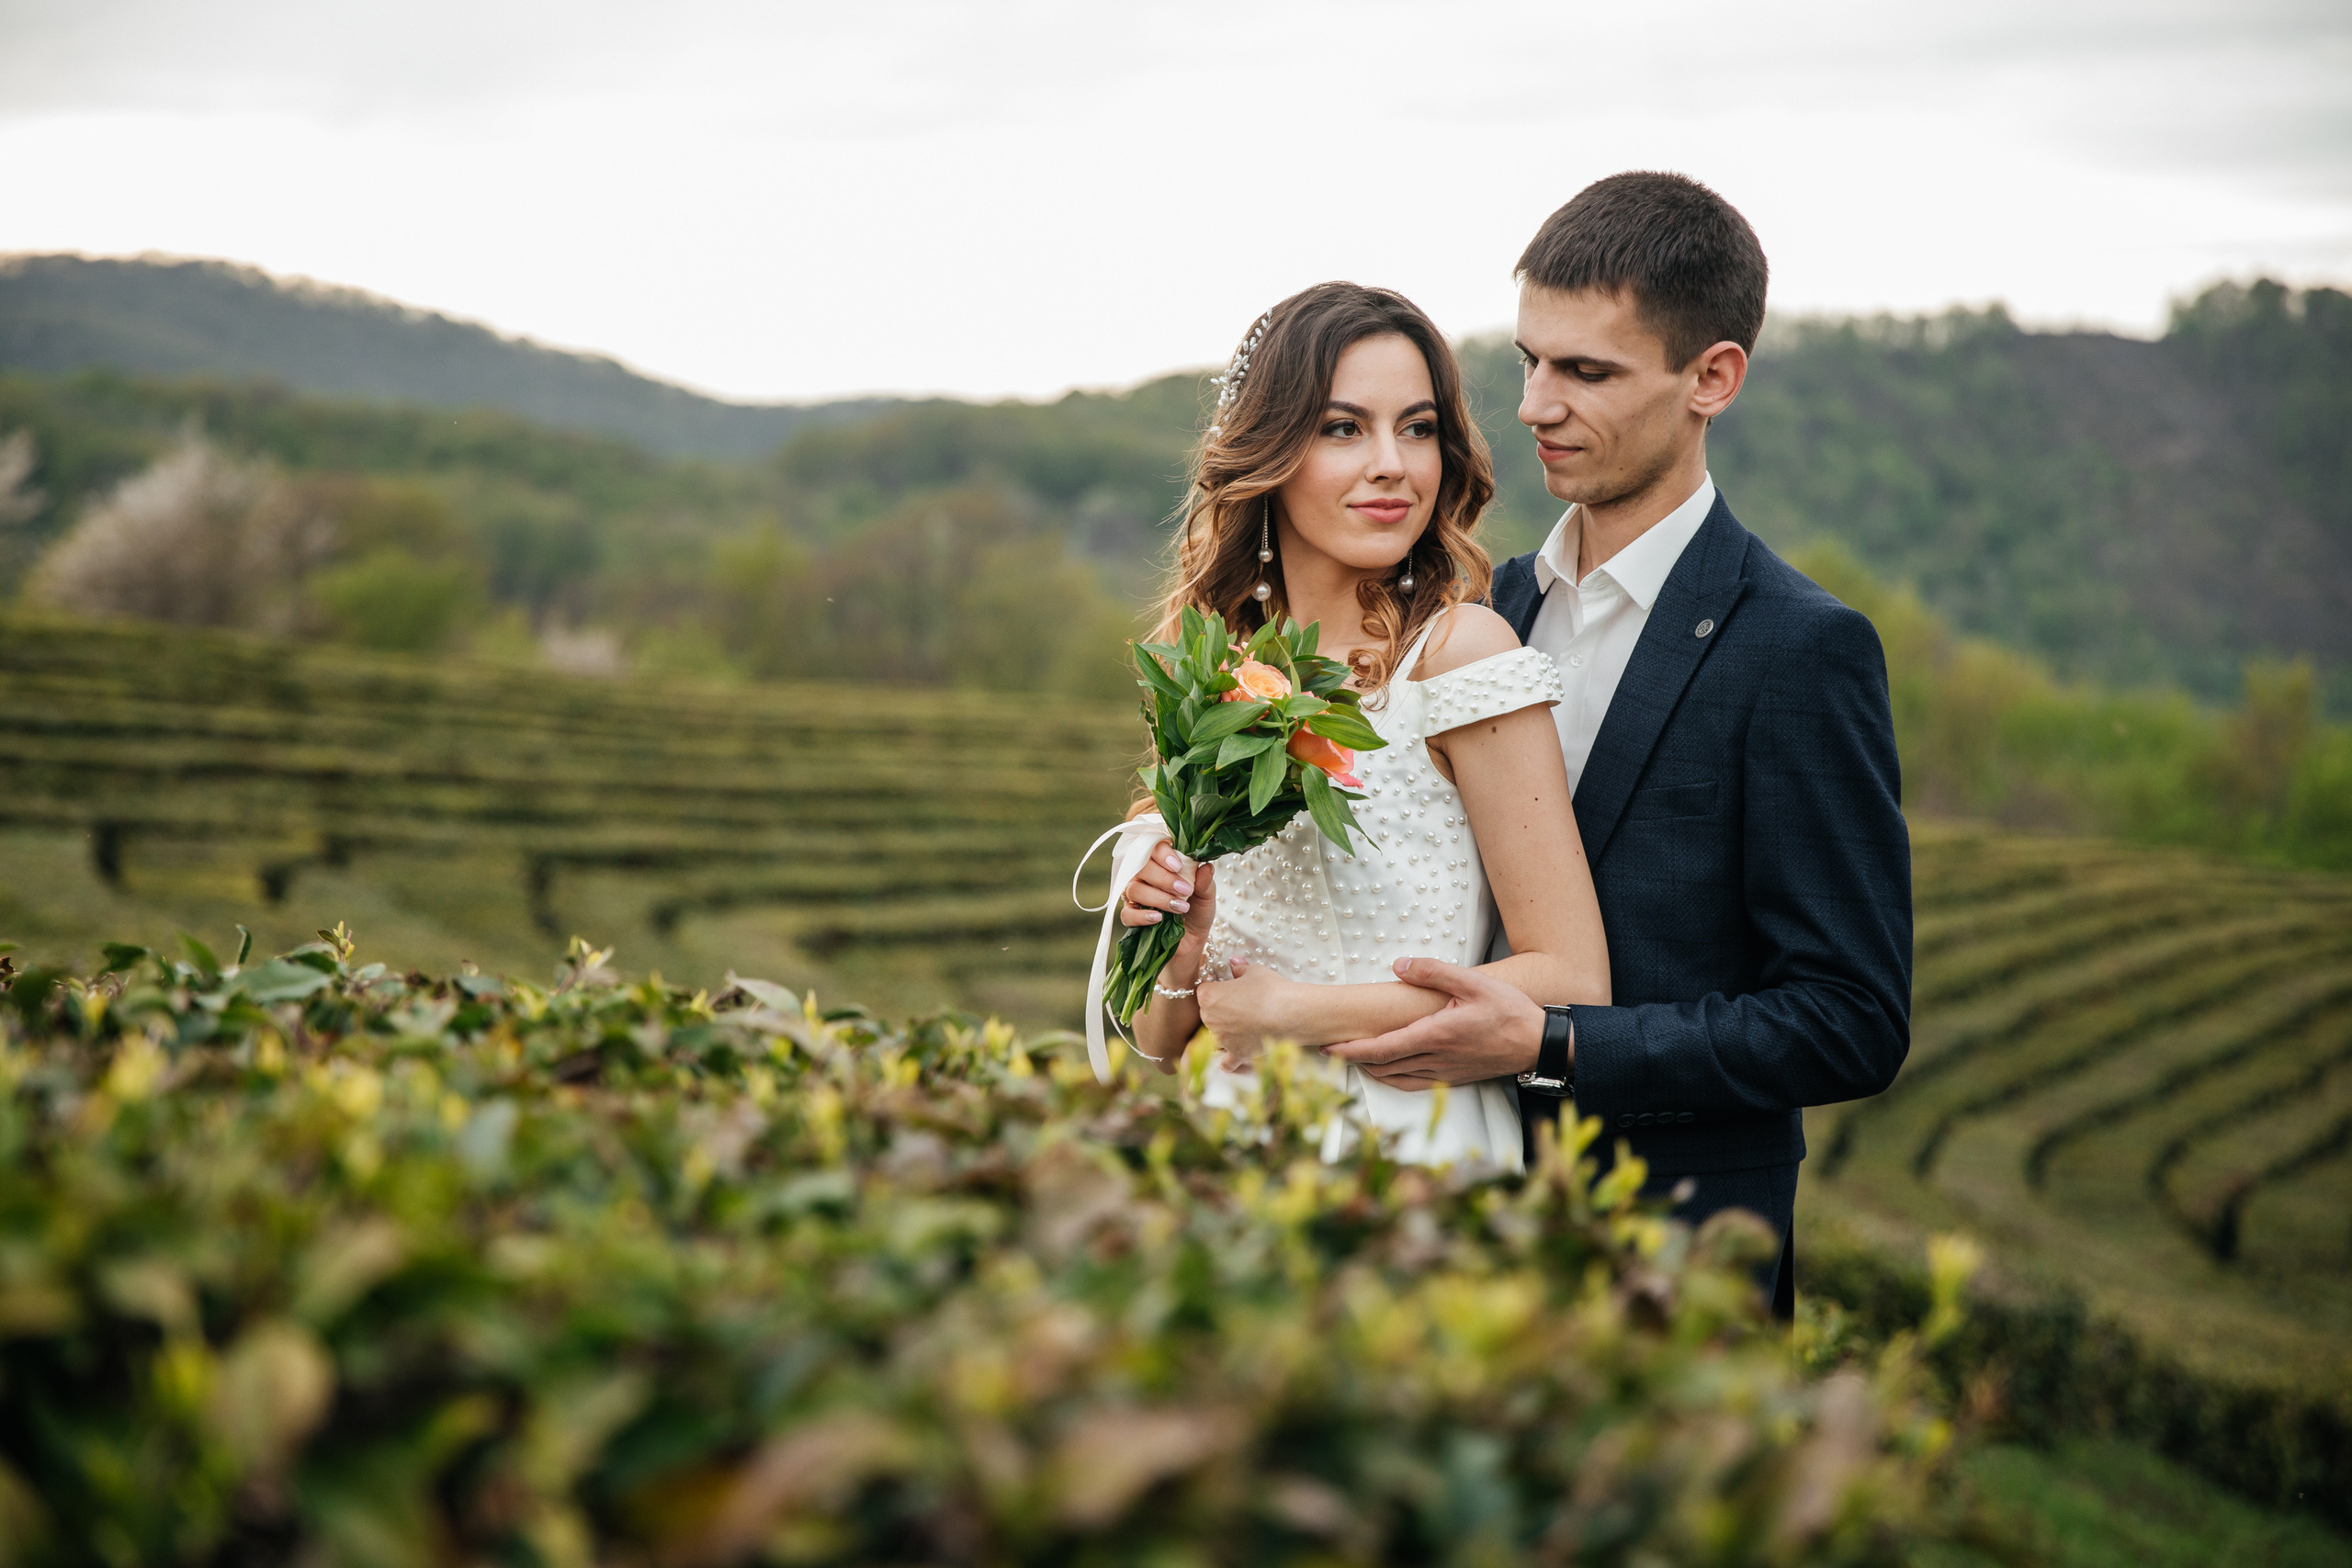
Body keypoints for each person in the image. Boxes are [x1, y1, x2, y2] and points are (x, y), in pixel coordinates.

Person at [1312, 172, 1916, 1317]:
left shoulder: (1800, 649)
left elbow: (1851, 1021)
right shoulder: (1472, 616)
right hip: (1448, 1229)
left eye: (1585, 373)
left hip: (1670, 1267)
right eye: (1529, 361)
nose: (1534, 405)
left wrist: (1553, 1045)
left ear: (1712, 379)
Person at [1111, 281, 1611, 1170]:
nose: (1392, 464)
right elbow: (1156, 1044)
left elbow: (1571, 978)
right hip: (1219, 1153)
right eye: (1344, 428)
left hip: (1407, 1149)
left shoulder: (1460, 654)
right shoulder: (1212, 677)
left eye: (1417, 429)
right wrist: (1179, 950)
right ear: (1270, 451)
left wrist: (1300, 1016)